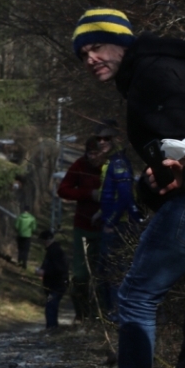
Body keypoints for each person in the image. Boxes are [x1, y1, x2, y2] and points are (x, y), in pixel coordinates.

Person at [70, 7, 185, 368]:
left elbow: (180, 149)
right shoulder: (155, 69)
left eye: (96, 47)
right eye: (82, 54)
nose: (89, 59)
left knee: (136, 296)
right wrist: (151, 182)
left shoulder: (155, 73)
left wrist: (169, 174)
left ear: (121, 41)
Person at [57, 135, 106, 322]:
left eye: (96, 153)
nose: (93, 157)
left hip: (107, 226)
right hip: (83, 225)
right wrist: (88, 194)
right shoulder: (79, 165)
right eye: (90, 153)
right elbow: (63, 190)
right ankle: (82, 314)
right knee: (80, 275)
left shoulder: (111, 165)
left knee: (103, 274)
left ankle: (100, 315)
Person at [96, 121, 141, 320]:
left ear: (117, 139)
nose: (102, 142)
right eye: (98, 139)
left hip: (119, 227)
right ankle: (114, 316)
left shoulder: (119, 162)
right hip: (113, 223)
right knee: (107, 273)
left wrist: (111, 222)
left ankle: (118, 317)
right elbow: (111, 194)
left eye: (107, 138)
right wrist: (100, 213)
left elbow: (124, 196)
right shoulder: (111, 161)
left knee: (114, 274)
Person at [35, 230, 68, 330]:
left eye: (43, 241)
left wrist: (44, 272)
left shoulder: (55, 251)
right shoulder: (52, 250)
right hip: (53, 285)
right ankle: (52, 327)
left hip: (57, 285)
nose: (43, 244)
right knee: (51, 306)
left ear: (48, 240)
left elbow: (59, 269)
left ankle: (51, 328)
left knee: (51, 306)